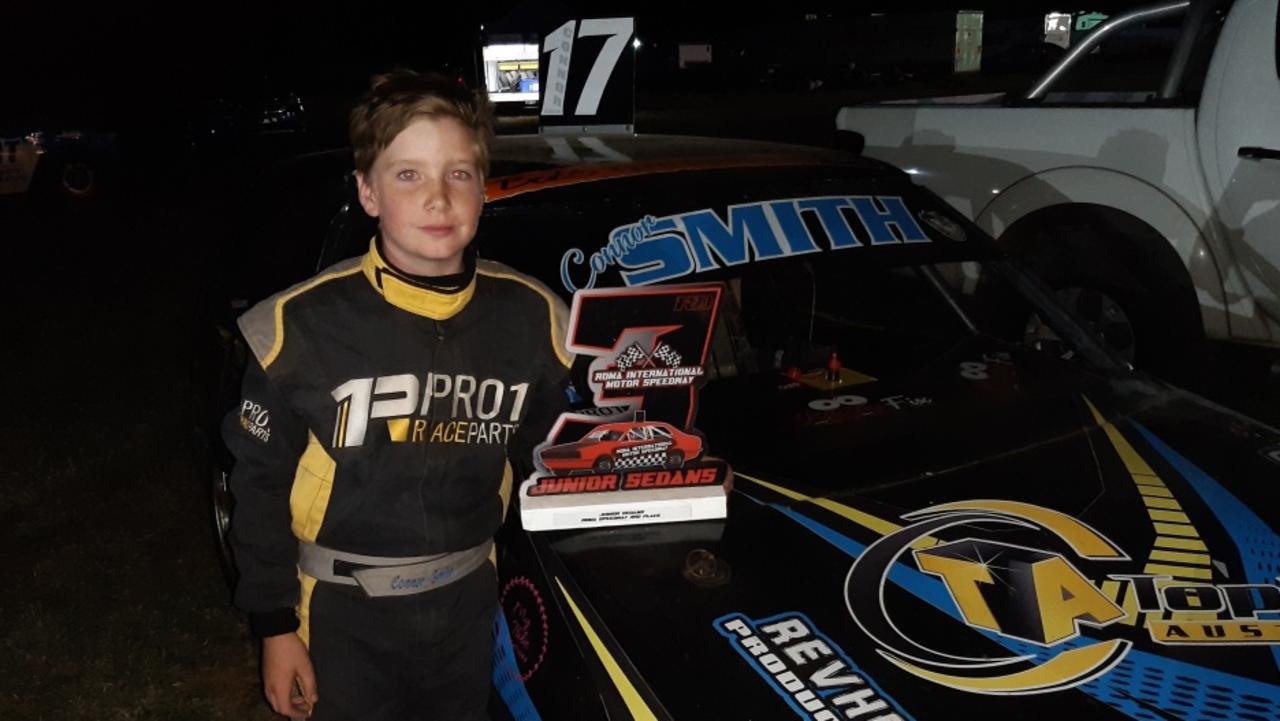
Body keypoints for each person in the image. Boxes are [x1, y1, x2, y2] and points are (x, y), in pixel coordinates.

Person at [222, 69, 571, 720]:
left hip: (469, 600)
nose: (438, 198)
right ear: (367, 192)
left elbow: (557, 457)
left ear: (483, 188)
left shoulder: (532, 319)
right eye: (408, 174)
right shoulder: (298, 330)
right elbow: (258, 489)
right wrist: (274, 626)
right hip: (342, 613)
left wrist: (644, 465)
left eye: (459, 173)